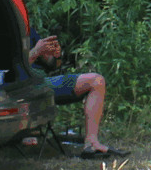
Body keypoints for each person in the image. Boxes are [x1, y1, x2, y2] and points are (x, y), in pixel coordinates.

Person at [26, 30, 113, 159]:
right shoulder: (2, 30)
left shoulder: (28, 30)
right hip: (20, 85)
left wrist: (53, 56)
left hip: (42, 81)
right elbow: (7, 70)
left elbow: (52, 66)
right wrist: (35, 52)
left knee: (96, 81)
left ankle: (91, 144)